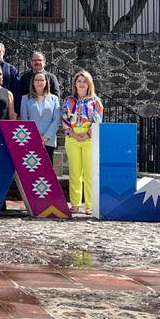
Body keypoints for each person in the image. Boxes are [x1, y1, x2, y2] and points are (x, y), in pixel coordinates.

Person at [61, 70, 103, 215]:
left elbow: (97, 120)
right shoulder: (68, 100)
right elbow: (64, 118)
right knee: (74, 172)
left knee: (89, 173)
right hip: (72, 138)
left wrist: (87, 133)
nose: (82, 84)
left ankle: (90, 205)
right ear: (75, 84)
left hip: (89, 139)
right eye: (79, 81)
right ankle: (75, 204)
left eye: (84, 81)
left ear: (89, 84)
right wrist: (71, 133)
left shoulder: (96, 101)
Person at [21, 71, 62, 160]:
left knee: (47, 171)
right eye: (37, 80)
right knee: (32, 171)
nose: (39, 82)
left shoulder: (54, 99)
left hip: (49, 140)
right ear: (33, 82)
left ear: (46, 82)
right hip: (32, 140)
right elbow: (24, 120)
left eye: (42, 80)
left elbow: (56, 119)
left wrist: (46, 137)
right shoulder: (25, 99)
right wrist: (35, 137)